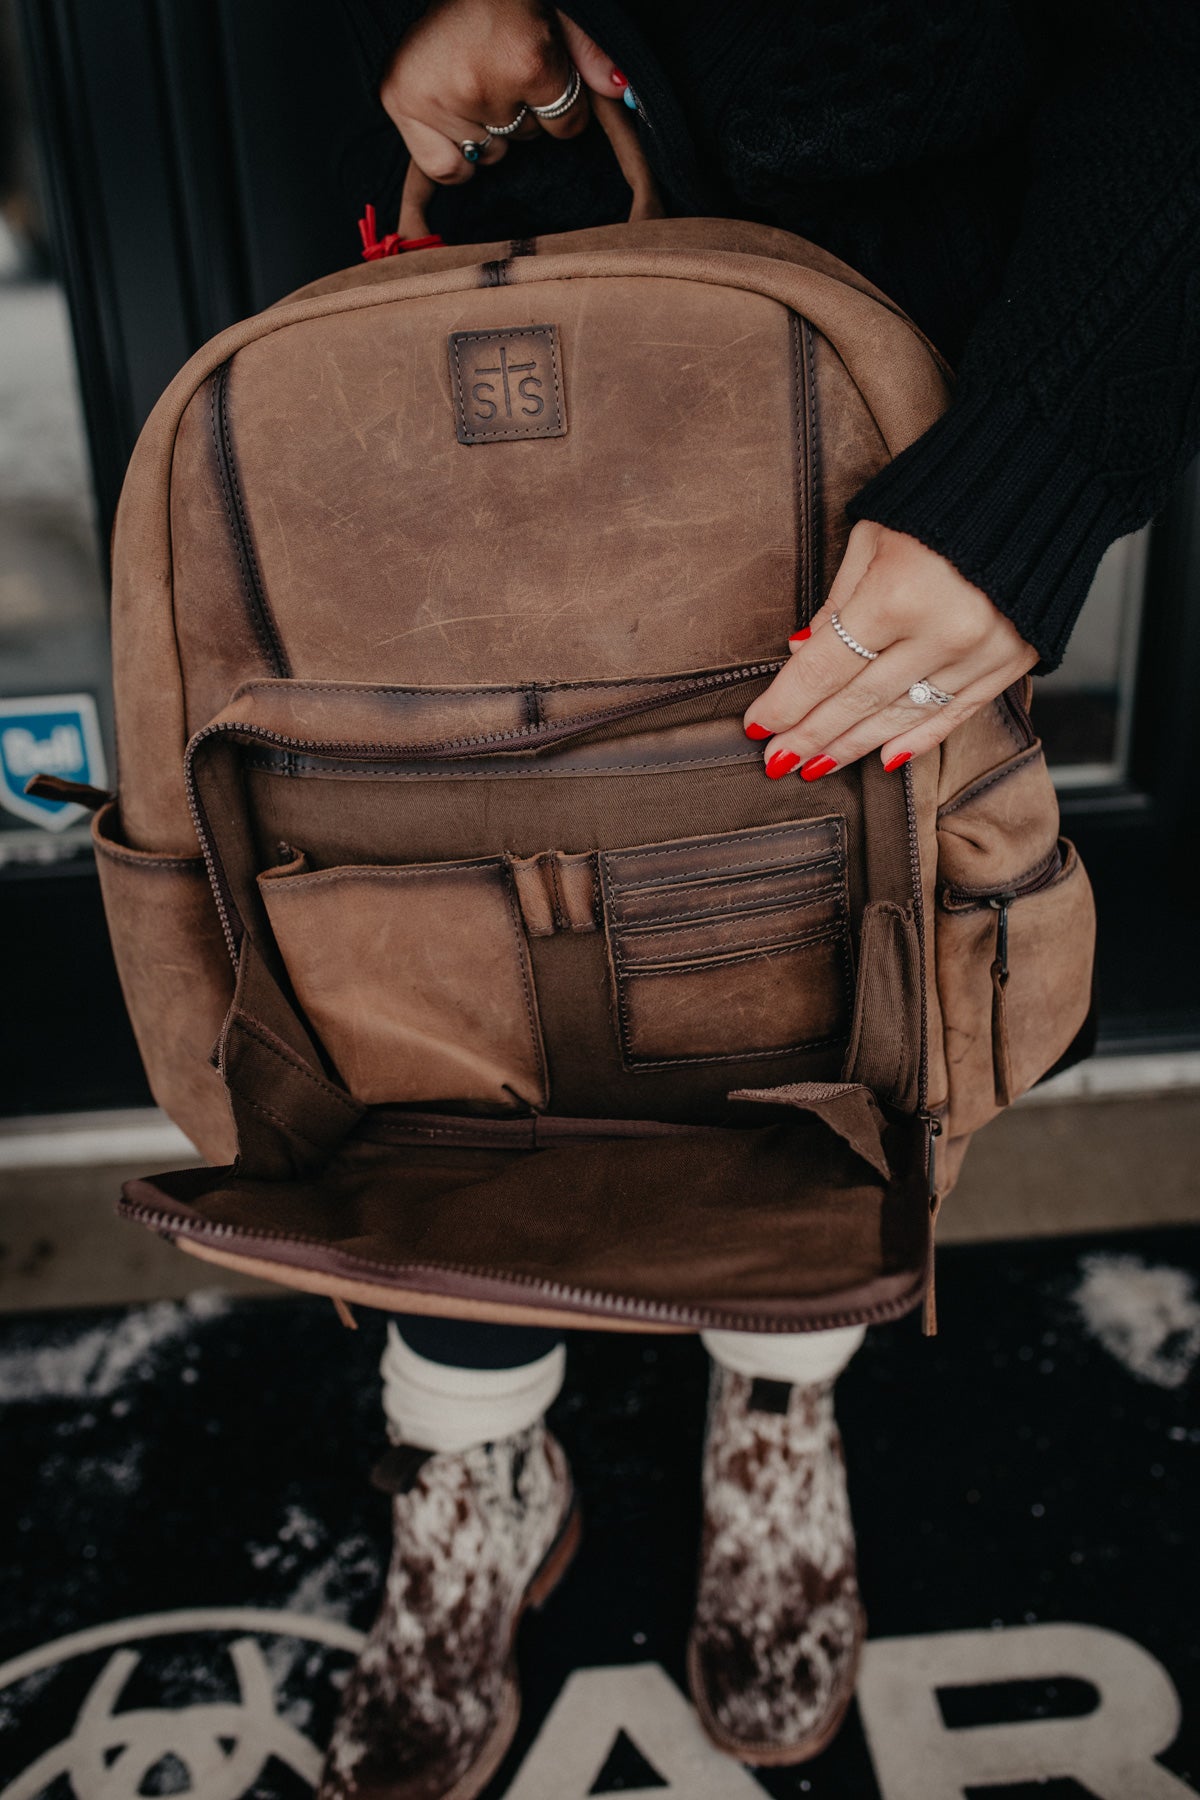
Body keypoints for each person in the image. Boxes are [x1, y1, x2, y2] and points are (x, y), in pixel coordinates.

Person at [318, 2, 1200, 1793]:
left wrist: (1035, 456)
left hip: (904, 390)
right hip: (485, 284)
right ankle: (467, 1446)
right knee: (431, 935)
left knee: (818, 951)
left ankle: (779, 1395)